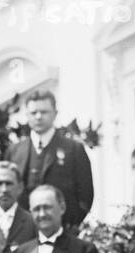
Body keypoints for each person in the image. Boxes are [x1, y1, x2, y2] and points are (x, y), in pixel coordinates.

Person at [6, 90, 94, 228]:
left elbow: (85, 194)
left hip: (63, 230)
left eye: (44, 112)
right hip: (23, 233)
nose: (39, 117)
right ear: (27, 116)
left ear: (55, 114)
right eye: (33, 113)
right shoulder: (15, 151)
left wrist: (71, 224)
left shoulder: (73, 149)